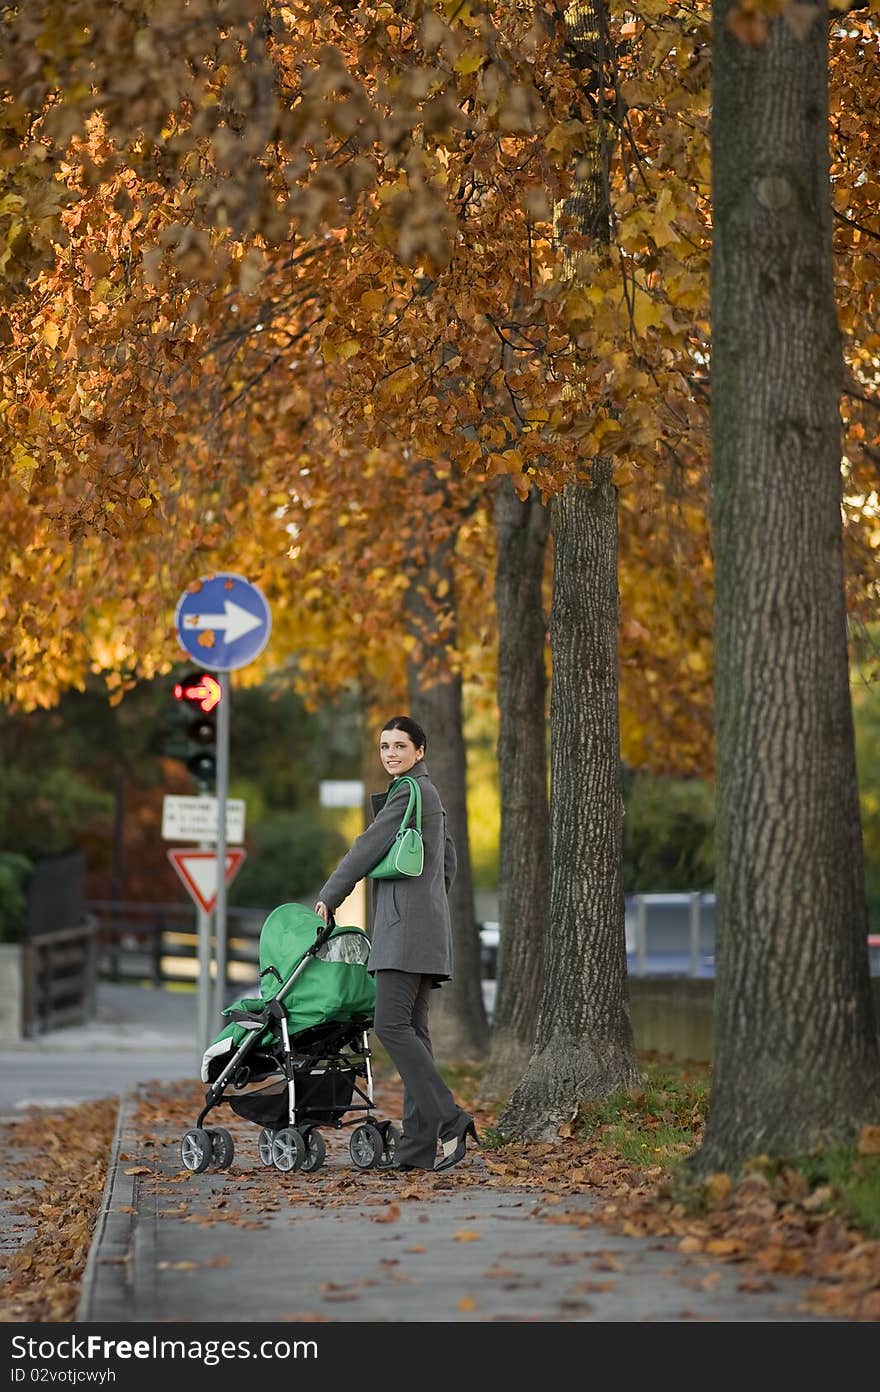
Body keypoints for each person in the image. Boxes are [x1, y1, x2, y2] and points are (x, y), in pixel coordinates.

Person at [315, 715, 478, 1173]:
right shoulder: (430, 794)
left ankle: (450, 1118)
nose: (390, 754)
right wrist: (427, 902)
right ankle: (415, 1150)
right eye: (385, 746)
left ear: (419, 751)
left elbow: (366, 847)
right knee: (415, 1036)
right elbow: (448, 860)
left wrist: (330, 896)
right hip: (426, 930)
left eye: (400, 746)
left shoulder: (407, 791)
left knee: (389, 1026)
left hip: (403, 932)